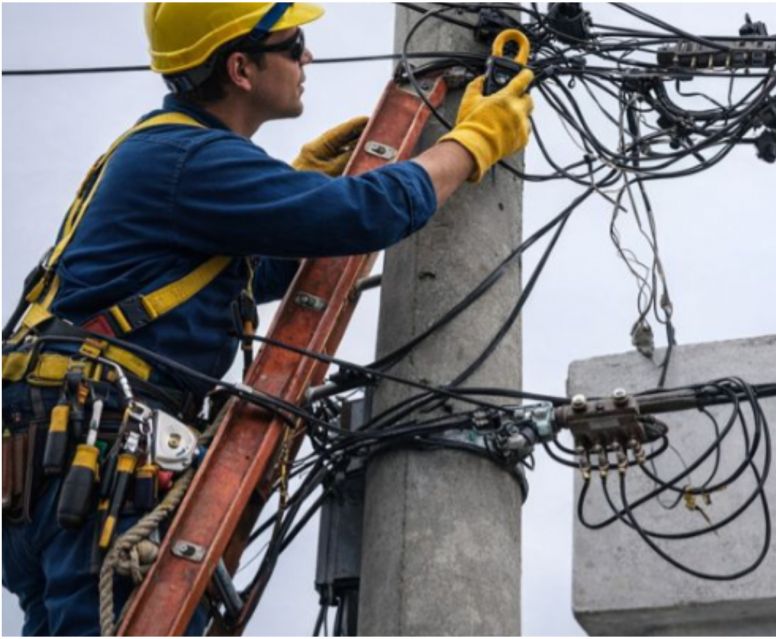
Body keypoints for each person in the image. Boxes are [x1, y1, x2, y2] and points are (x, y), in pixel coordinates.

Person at [1, 2, 535, 635]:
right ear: (241, 68)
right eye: (293, 43)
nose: (307, 57)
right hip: (97, 438)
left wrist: (301, 184)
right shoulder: (189, 159)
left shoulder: (163, 149)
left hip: (53, 447)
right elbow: (367, 213)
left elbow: (240, 282)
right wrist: (470, 144)